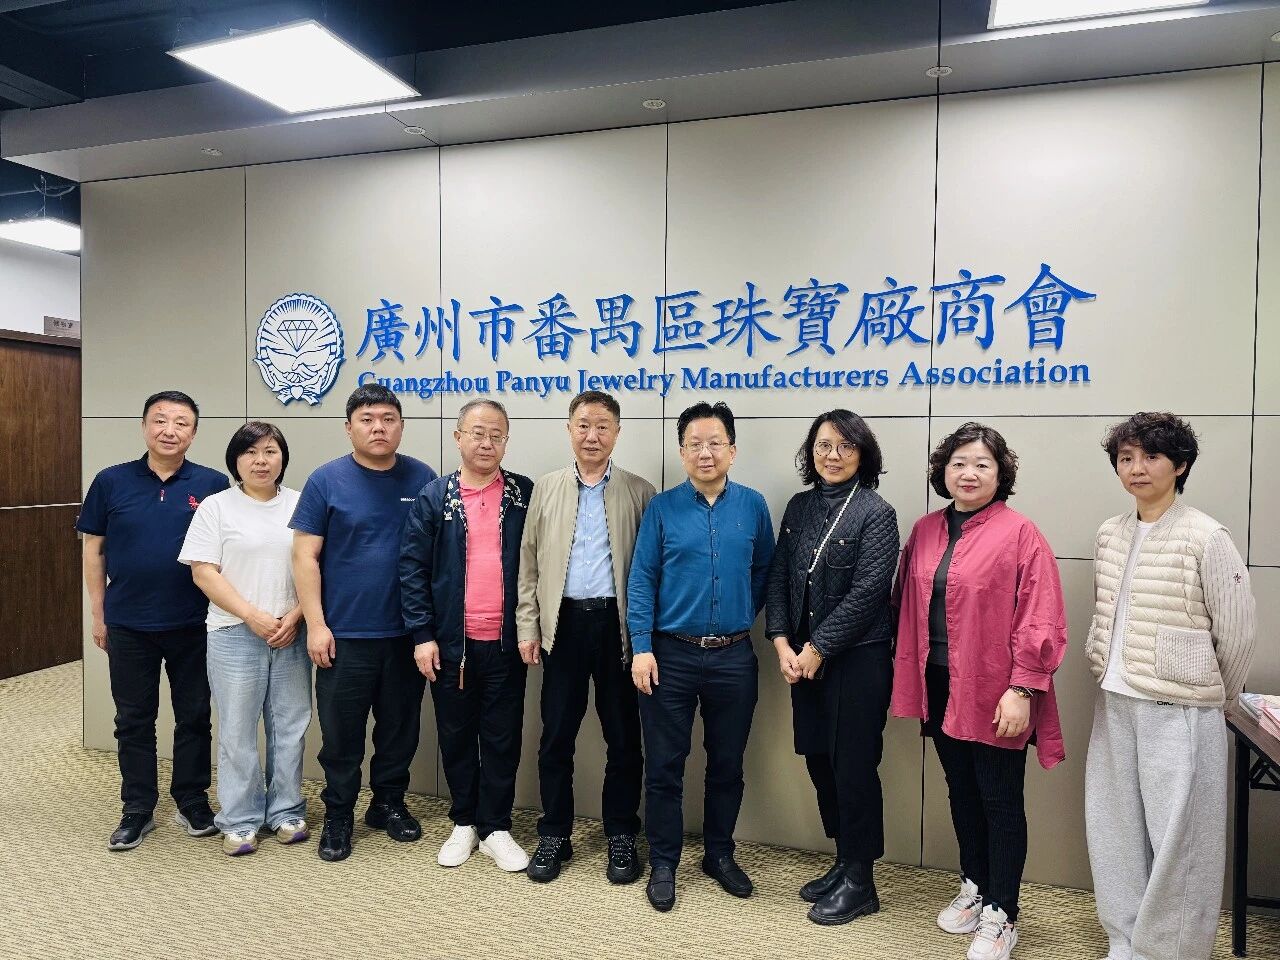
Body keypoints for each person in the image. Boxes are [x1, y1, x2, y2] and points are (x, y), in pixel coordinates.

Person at [891, 422, 1067, 960]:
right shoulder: (925, 530)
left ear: (1000, 473)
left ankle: (1003, 912)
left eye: (982, 464)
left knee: (1000, 799)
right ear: (943, 471)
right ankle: (976, 884)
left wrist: (1024, 688)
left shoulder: (1021, 533)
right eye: (959, 463)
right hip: (939, 681)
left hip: (997, 687)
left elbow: (1041, 616)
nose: (969, 473)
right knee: (961, 789)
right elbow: (903, 602)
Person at [1084, 412, 1256, 960]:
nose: (1136, 468)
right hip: (1116, 698)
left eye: (1150, 456)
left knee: (1182, 840)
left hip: (1180, 708)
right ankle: (1125, 939)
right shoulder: (1110, 533)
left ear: (1179, 465)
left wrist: (1214, 699)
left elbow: (1237, 634)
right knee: (1115, 830)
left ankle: (1172, 950)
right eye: (1126, 458)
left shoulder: (1207, 536)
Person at [627, 401, 775, 913]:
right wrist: (641, 647)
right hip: (669, 656)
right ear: (682, 451)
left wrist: (741, 612)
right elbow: (642, 579)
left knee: (727, 764)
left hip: (734, 657)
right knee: (664, 766)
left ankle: (719, 854)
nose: (705, 453)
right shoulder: (662, 508)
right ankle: (664, 861)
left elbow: (765, 570)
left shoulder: (753, 505)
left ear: (732, 450)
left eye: (715, 443)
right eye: (694, 444)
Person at [290, 384, 437, 862]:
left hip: (406, 635)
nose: (379, 428)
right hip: (344, 635)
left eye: (388, 419)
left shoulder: (423, 477)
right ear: (349, 427)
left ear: (401, 426)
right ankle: (339, 814)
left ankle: (387, 803)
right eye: (367, 419)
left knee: (400, 730)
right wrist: (316, 624)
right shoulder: (326, 480)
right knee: (341, 736)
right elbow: (305, 557)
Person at [78, 390, 230, 850]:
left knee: (195, 716)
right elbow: (94, 549)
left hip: (194, 623)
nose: (170, 430)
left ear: (194, 433)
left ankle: (192, 799)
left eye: (181, 423)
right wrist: (99, 613)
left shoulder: (213, 483)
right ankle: (137, 808)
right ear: (144, 426)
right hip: (128, 623)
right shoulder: (111, 481)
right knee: (133, 719)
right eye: (160, 420)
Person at [765, 410, 899, 925]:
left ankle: (862, 881)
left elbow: (869, 593)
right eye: (823, 446)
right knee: (819, 757)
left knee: (854, 766)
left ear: (863, 454)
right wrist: (782, 642)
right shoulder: (799, 507)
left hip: (857, 659)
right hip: (802, 660)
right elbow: (779, 576)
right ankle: (843, 860)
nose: (833, 455)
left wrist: (817, 649)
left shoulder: (876, 512)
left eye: (845, 446)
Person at [516, 390, 655, 884]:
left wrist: (643, 639)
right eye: (583, 425)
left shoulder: (640, 491)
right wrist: (529, 626)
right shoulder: (546, 488)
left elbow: (650, 571)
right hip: (563, 626)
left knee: (624, 738)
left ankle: (621, 833)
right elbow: (529, 563)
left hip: (618, 628)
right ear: (569, 429)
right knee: (556, 736)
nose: (592, 436)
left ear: (617, 433)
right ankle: (555, 832)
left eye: (602, 426)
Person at [400, 399, 534, 873]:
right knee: (455, 735)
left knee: (502, 736)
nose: (486, 443)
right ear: (458, 437)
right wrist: (422, 635)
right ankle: (464, 822)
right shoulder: (434, 497)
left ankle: (495, 826)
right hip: (449, 645)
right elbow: (412, 569)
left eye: (497, 435)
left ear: (506, 442)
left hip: (507, 643)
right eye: (477, 433)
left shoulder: (522, 494)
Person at [179, 421, 311, 856]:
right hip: (234, 632)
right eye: (250, 452)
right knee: (237, 731)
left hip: (291, 632)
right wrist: (252, 615)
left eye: (270, 451)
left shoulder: (301, 504)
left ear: (282, 458)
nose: (261, 461)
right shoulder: (216, 507)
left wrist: (296, 615)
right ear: (235, 460)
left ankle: (286, 811)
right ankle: (239, 819)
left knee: (290, 726)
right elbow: (203, 572)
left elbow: (317, 567)